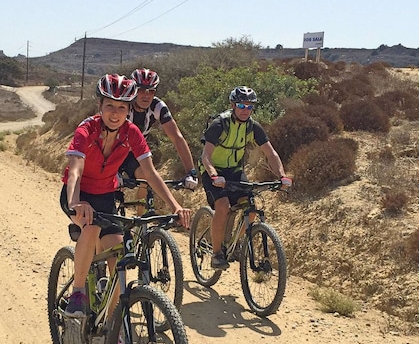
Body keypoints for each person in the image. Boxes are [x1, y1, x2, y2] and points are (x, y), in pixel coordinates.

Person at [61, 74, 192, 317]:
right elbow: (75, 170)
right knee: (91, 226)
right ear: (100, 105)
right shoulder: (86, 129)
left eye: (122, 107)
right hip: (80, 194)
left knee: (118, 256)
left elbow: (150, 174)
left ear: (129, 109)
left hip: (105, 196)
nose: (115, 113)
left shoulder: (132, 132)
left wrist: (175, 206)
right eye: (110, 105)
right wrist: (75, 202)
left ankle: (113, 323)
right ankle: (77, 293)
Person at [199, 86, 291, 270]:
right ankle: (216, 254)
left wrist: (282, 176)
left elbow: (270, 154)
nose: (245, 110)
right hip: (213, 171)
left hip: (234, 171)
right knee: (222, 206)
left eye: (249, 106)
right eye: (241, 105)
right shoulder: (220, 124)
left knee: (251, 209)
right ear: (233, 105)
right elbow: (205, 156)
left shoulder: (252, 127)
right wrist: (214, 175)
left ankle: (233, 244)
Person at [118, 68, 198, 199]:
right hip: (113, 151)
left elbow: (177, 138)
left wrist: (191, 172)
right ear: (133, 90)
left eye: (151, 91)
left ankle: (140, 211)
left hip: (135, 153)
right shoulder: (123, 104)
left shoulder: (157, 106)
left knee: (145, 179)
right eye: (141, 90)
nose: (146, 95)